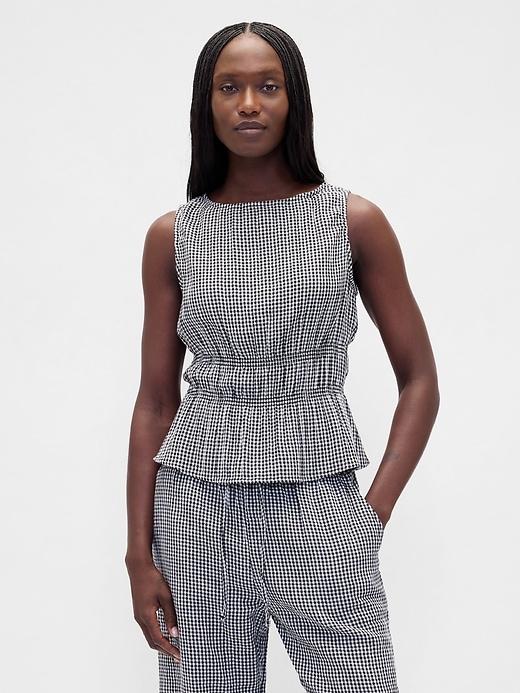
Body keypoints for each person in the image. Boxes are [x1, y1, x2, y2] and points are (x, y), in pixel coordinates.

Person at [125, 21, 440, 693]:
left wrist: (372, 513)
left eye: (268, 86)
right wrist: (138, 555)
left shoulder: (353, 221)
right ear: (205, 104)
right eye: (229, 88)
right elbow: (155, 401)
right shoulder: (173, 235)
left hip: (321, 504)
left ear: (295, 98)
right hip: (197, 511)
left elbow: (420, 379)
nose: (248, 104)